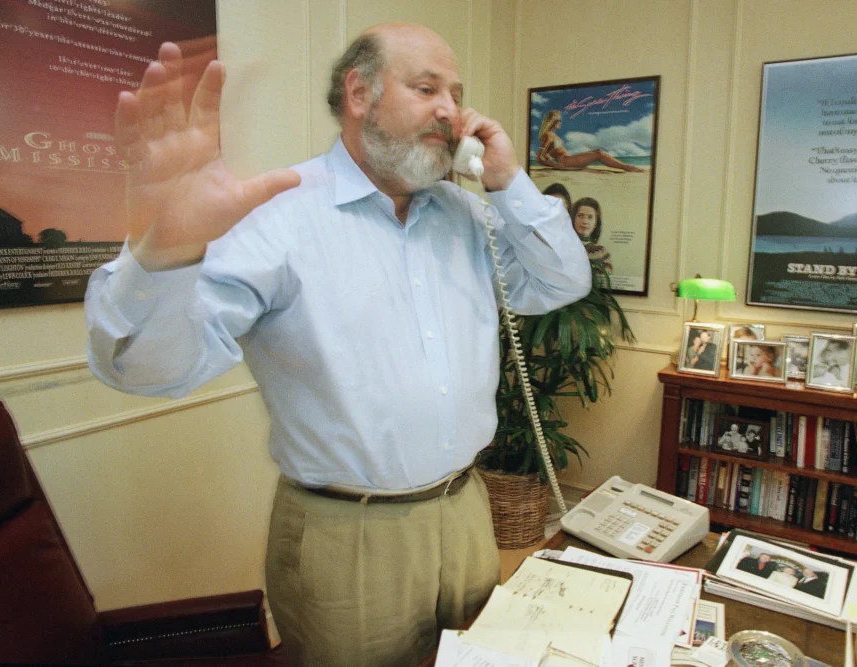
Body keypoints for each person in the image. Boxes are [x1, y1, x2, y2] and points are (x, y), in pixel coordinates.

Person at [83, 24, 592, 667]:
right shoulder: (275, 214)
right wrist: (164, 258)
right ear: (359, 93)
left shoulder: (468, 216)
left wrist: (509, 180)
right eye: (426, 87)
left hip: (465, 511)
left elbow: (562, 282)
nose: (451, 110)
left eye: (456, 93)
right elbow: (148, 371)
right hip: (347, 534)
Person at [535, 109, 645, 172]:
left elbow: (547, 155)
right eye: (559, 120)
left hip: (568, 160)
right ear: (553, 121)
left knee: (597, 150)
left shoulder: (552, 135)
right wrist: (554, 165)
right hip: (566, 161)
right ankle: (627, 167)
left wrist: (550, 160)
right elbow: (539, 157)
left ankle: (626, 167)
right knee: (598, 153)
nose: (560, 122)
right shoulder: (549, 135)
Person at [571, 197, 612, 274]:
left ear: (596, 223)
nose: (585, 221)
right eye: (580, 215)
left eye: (590, 217)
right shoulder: (563, 247)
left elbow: (605, 281)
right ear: (573, 219)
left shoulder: (601, 252)